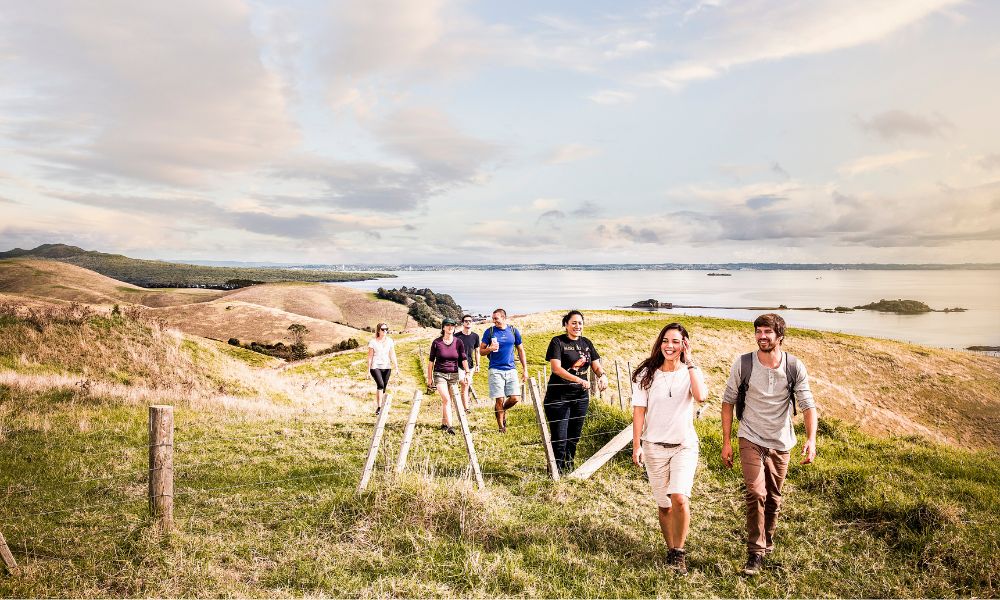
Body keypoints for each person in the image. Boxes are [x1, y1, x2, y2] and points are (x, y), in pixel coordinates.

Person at [721, 313, 817, 576]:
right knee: (755, 493)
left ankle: (766, 544)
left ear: (780, 337)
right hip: (750, 436)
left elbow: (808, 405)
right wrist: (726, 442)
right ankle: (754, 553)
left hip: (781, 441)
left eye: (767, 332)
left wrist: (811, 439)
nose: (762, 336)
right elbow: (728, 401)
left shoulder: (794, 366)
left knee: (773, 497)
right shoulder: (744, 363)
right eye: (758, 331)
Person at [631, 322, 708, 576]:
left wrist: (692, 360)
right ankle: (670, 548)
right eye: (666, 341)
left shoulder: (690, 371)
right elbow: (639, 411)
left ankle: (679, 552)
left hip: (684, 445)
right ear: (659, 343)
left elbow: (701, 396)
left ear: (684, 344)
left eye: (676, 341)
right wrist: (637, 445)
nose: (670, 346)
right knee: (664, 505)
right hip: (654, 447)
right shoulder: (646, 374)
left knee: (679, 498)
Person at [543, 310, 608, 474]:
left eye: (580, 323)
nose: (577, 326)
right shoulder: (557, 342)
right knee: (560, 437)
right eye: (573, 323)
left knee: (574, 436)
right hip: (558, 396)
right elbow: (556, 369)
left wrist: (602, 376)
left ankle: (569, 466)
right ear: (566, 325)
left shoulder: (586, 343)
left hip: (580, 398)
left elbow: (596, 364)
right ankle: (555, 470)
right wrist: (579, 380)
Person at [479, 308, 528, 433]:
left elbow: (521, 350)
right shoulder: (489, 332)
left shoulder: (513, 331)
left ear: (504, 317)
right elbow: (481, 351)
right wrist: (490, 348)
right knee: (499, 399)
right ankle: (501, 428)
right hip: (495, 369)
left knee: (515, 398)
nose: (493, 321)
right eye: (493, 318)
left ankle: (502, 410)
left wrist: (525, 369)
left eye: (496, 318)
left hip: (511, 369)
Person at [427, 317, 468, 435]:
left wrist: (467, 372)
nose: (450, 327)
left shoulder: (458, 342)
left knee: (448, 401)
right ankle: (450, 427)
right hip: (439, 374)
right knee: (446, 399)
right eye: (448, 325)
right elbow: (431, 362)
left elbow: (463, 358)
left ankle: (444, 423)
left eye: (453, 325)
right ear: (443, 327)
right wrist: (429, 378)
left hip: (454, 374)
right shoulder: (436, 342)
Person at [366, 322, 398, 415]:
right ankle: (379, 408)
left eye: (386, 329)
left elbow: (392, 354)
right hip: (375, 367)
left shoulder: (390, 341)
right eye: (383, 329)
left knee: (384, 387)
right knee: (380, 385)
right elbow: (370, 357)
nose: (385, 331)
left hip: (387, 367)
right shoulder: (373, 342)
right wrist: (368, 371)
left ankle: (383, 407)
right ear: (378, 331)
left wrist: (396, 366)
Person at [454, 314, 480, 413]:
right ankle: (464, 407)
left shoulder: (475, 336)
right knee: (464, 383)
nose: (468, 322)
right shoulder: (457, 336)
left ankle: (465, 408)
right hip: (458, 365)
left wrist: (478, 365)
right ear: (463, 323)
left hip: (470, 366)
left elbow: (477, 351)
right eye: (466, 321)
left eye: (470, 321)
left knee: (466, 386)